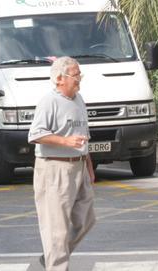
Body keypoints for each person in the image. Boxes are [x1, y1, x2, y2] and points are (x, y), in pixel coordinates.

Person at [28, 56, 96, 271]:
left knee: (86, 219)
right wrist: (65, 141)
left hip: (79, 167)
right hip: (54, 168)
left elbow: (83, 135)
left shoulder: (79, 99)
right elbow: (36, 134)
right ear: (59, 79)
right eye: (75, 75)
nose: (79, 79)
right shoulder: (49, 102)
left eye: (79, 75)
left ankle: (53, 255)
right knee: (56, 230)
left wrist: (89, 166)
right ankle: (56, 263)